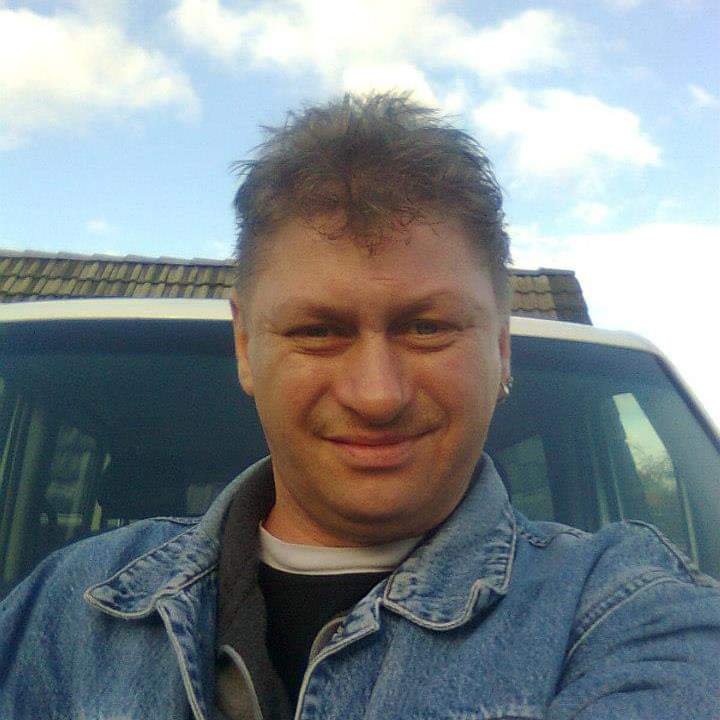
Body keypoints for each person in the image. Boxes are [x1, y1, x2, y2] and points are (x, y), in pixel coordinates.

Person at [1, 93, 719, 720]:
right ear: (246, 348)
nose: (377, 395)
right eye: (318, 331)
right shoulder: (65, 610)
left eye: (427, 327)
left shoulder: (628, 613)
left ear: (502, 349)